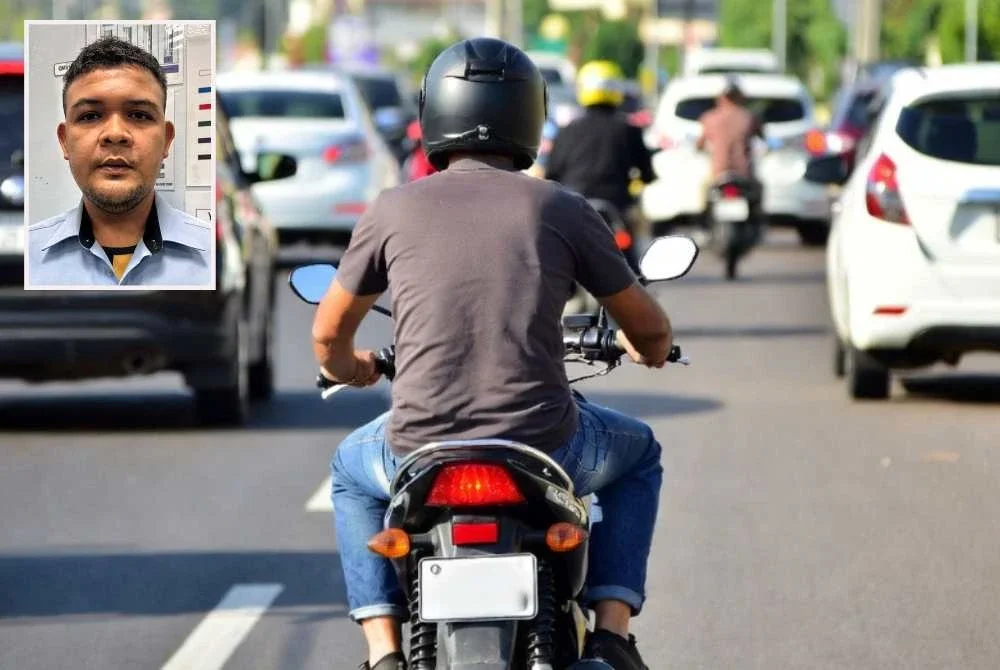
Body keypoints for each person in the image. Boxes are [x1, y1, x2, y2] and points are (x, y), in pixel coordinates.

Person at [311, 37, 673, 670]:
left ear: (435, 112)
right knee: (638, 451)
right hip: (546, 444)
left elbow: (327, 337)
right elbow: (650, 329)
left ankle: (383, 649)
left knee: (348, 467)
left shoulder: (392, 209)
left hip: (416, 450)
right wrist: (645, 349)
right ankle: (612, 633)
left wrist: (354, 368)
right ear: (530, 114)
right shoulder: (561, 206)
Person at [26, 36, 212, 288]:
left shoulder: (211, 258)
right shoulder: (27, 259)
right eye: (90, 116)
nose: (115, 134)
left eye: (139, 115)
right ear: (65, 140)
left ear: (166, 140)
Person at [544, 59, 655, 275]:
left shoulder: (567, 131)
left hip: (573, 205)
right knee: (633, 268)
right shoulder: (629, 130)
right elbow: (647, 173)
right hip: (617, 206)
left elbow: (552, 173)